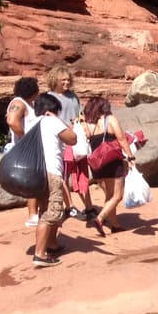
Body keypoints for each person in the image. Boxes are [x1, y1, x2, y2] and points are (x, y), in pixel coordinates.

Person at [30, 93, 77, 268]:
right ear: (51, 109)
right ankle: (40, 254)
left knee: (44, 208)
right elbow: (72, 139)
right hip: (51, 172)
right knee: (51, 212)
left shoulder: (33, 123)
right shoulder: (51, 120)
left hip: (36, 173)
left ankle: (52, 245)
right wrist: (60, 120)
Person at [82, 95, 136, 237]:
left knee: (109, 195)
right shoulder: (110, 120)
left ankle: (115, 225)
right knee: (117, 196)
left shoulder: (86, 123)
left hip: (96, 163)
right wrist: (130, 156)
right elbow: (121, 138)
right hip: (112, 161)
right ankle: (100, 218)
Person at [46, 66, 95, 220]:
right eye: (63, 80)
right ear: (55, 80)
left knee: (82, 172)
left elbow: (79, 114)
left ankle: (88, 206)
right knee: (64, 175)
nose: (67, 82)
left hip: (77, 139)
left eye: (68, 79)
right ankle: (70, 207)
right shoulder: (49, 97)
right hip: (61, 141)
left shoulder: (73, 97)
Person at [6, 76, 41, 228]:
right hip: (25, 149)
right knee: (32, 181)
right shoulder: (18, 103)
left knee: (35, 180)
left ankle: (36, 213)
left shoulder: (28, 104)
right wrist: (26, 139)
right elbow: (12, 121)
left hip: (31, 148)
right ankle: (32, 215)